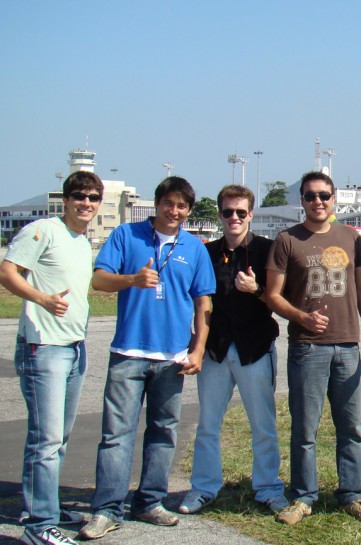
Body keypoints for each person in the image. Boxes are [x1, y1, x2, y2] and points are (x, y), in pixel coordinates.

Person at [78, 177, 215, 540]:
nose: (174, 211)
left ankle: (150, 501)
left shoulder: (194, 247)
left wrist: (198, 349)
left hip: (172, 357)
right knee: (115, 435)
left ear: (188, 210)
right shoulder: (126, 235)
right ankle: (106, 509)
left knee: (164, 432)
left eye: (182, 206)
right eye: (168, 203)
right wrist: (132, 280)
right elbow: (99, 281)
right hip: (129, 353)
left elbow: (204, 303)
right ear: (156, 205)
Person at [264, 171, 361, 525]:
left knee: (352, 427)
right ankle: (302, 497)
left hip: (347, 346)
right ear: (301, 199)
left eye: (324, 196)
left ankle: (352, 494)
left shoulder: (350, 237)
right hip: (308, 348)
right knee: (305, 428)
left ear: (334, 199)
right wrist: (301, 317)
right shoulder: (287, 240)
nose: (318, 202)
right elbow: (271, 295)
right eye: (311, 196)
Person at [0, 172, 103, 545]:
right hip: (43, 348)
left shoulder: (79, 240)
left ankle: (38, 506)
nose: (86, 203)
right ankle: (39, 527)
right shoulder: (43, 229)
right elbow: (7, 272)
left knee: (57, 438)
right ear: (65, 198)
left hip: (74, 347)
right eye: (79, 196)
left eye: (93, 198)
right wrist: (41, 299)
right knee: (46, 439)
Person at [178, 185, 288, 515]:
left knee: (263, 425)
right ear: (220, 215)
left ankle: (268, 487)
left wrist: (256, 290)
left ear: (251, 215)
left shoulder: (269, 251)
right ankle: (203, 487)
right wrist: (196, 345)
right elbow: (197, 301)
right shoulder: (206, 253)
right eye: (228, 212)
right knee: (208, 424)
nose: (234, 218)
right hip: (215, 350)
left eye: (241, 212)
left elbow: (283, 301)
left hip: (254, 349)